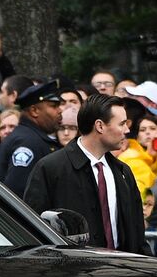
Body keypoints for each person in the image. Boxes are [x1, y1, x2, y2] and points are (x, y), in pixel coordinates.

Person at [24, 93, 149, 254]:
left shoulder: (122, 171)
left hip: (122, 273)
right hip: (73, 273)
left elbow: (137, 234)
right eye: (122, 124)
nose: (127, 130)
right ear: (100, 126)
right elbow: (33, 230)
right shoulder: (51, 168)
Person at [0, 82, 63, 197]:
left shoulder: (32, 137)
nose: (60, 110)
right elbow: (17, 193)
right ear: (34, 111)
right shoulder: (27, 143)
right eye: (53, 106)